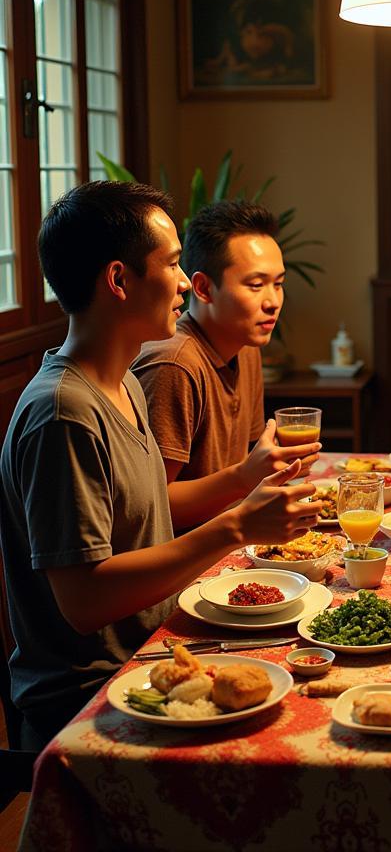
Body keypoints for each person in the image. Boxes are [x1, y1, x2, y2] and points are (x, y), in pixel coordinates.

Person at [0, 182, 321, 750]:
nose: (182, 283)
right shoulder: (63, 412)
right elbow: (84, 602)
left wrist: (245, 478)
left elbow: (146, 507)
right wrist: (238, 525)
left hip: (163, 649)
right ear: (119, 281)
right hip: (94, 694)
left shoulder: (120, 381)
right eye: (172, 265)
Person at [133, 200, 320, 531]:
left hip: (230, 537)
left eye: (278, 283)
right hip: (185, 556)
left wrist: (263, 470)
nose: (273, 301)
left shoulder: (246, 347)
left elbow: (245, 465)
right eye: (255, 284)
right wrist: (246, 476)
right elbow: (152, 508)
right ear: (203, 287)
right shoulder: (174, 364)